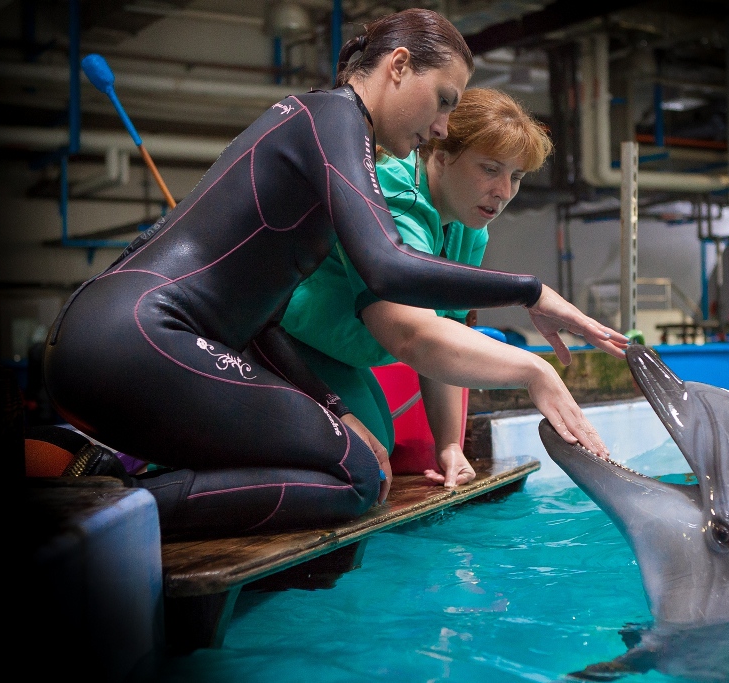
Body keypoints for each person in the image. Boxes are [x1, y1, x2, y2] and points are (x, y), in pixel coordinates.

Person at [41, 9, 627, 539]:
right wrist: (531, 295)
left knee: (358, 454)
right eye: (444, 99)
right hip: (136, 338)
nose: (446, 124)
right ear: (399, 67)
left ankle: (81, 470)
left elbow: (264, 322)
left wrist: (332, 407)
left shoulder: (334, 145)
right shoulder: (331, 118)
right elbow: (391, 269)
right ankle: (89, 514)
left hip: (105, 343)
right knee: (359, 479)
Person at [282, 87, 572, 489]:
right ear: (440, 152)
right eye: (490, 169)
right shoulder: (393, 194)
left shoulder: (470, 231)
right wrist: (533, 370)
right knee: (360, 462)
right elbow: (415, 336)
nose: (504, 191)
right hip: (284, 340)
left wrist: (449, 445)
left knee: (383, 438)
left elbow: (446, 337)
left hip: (339, 353)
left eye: (516, 176)